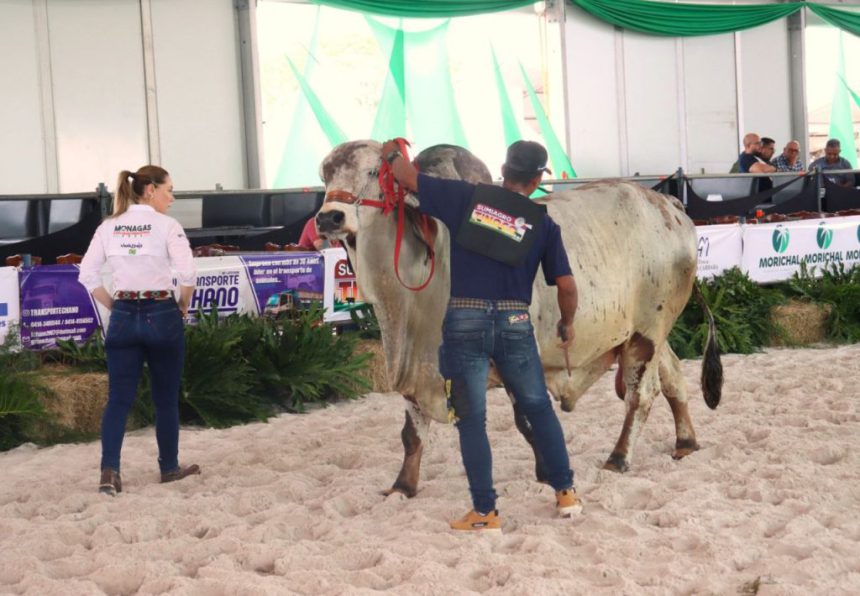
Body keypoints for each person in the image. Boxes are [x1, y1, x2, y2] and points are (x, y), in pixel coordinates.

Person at [380, 139, 581, 533]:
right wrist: (567, 322)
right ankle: (566, 494)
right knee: (539, 408)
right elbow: (566, 285)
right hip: (515, 321)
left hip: (465, 320)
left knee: (472, 419)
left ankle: (485, 512)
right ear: (537, 180)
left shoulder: (467, 198)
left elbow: (407, 178)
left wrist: (391, 153)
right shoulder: (543, 224)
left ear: (503, 172)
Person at [79, 165, 200, 496]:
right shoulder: (167, 226)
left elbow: (87, 274)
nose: (171, 198)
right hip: (161, 312)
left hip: (123, 313)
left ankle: (110, 472)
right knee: (165, 398)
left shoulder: (109, 226)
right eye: (169, 190)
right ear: (150, 190)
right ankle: (169, 467)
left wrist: (114, 305)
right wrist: (183, 304)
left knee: (118, 399)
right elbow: (188, 273)